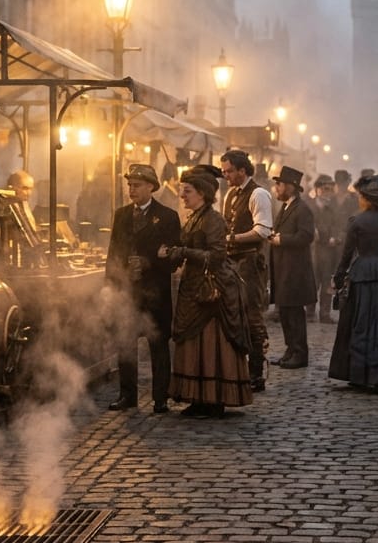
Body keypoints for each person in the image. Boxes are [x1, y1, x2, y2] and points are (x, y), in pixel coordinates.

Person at [158, 167, 253, 418]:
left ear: (202, 193)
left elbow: (218, 256)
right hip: (194, 287)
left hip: (212, 292)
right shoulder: (195, 217)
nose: (182, 196)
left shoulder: (213, 219)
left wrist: (184, 253)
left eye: (187, 191)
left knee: (210, 343)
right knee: (193, 342)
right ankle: (199, 398)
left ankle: (214, 399)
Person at [104, 163, 182, 414]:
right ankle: (128, 395)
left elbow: (173, 256)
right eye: (129, 185)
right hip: (127, 292)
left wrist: (150, 261)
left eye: (136, 185)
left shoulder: (168, 217)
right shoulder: (122, 215)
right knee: (125, 344)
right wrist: (111, 286)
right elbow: (113, 253)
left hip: (155, 292)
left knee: (158, 344)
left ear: (151, 187)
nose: (131, 189)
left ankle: (161, 398)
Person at [329, 173, 378, 393]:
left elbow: (347, 254)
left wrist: (339, 278)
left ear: (367, 199)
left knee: (360, 325)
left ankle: (360, 374)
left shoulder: (357, 221)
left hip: (362, 275)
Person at [220, 149, 274, 391]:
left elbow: (263, 230)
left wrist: (232, 238)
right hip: (232, 263)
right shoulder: (231, 194)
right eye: (224, 172)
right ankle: (237, 369)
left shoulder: (259, 194)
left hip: (251, 263)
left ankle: (257, 373)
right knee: (233, 314)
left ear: (243, 170)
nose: (226, 176)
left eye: (229, 171)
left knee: (252, 315)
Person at [268, 166, 317, 369]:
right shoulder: (287, 206)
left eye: (279, 184)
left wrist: (281, 239)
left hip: (295, 272)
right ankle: (290, 350)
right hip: (283, 270)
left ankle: (300, 353)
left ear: (290, 187)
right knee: (286, 313)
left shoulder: (302, 209)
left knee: (295, 314)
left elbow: (307, 236)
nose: (276, 188)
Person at [309, 174, 344, 324]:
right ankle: (309, 312)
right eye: (325, 189)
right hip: (313, 251)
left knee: (327, 283)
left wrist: (336, 237)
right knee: (312, 283)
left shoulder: (333, 208)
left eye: (330, 189)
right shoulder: (309, 207)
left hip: (329, 252)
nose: (327, 192)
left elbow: (339, 226)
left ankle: (325, 313)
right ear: (317, 189)